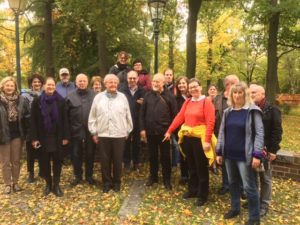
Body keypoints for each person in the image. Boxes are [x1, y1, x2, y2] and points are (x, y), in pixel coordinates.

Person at [215, 82, 264, 225]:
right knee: (232, 183)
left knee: (249, 186)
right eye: (234, 93)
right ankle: (235, 208)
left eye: (240, 93)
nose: (237, 95)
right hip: (229, 155)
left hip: (245, 156)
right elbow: (222, 132)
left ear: (245, 94)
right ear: (231, 95)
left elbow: (259, 134)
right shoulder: (227, 112)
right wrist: (219, 151)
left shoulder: (252, 111)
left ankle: (254, 217)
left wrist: (257, 154)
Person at [164, 78, 216, 206]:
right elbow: (179, 117)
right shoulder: (187, 102)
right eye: (191, 87)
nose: (193, 89)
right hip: (188, 137)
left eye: (195, 86)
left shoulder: (206, 102)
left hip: (200, 139)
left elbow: (210, 122)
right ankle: (193, 190)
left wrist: (207, 140)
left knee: (201, 167)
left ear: (201, 87)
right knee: (191, 165)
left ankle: (203, 195)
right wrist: (169, 131)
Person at [88, 74, 133, 193]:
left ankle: (117, 182)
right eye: (110, 82)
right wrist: (94, 132)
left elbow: (128, 115)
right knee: (105, 160)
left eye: (114, 82)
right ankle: (106, 183)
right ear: (105, 84)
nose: (112, 84)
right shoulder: (98, 98)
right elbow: (92, 116)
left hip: (119, 135)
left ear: (117, 84)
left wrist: (128, 130)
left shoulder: (123, 97)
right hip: (103, 134)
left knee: (118, 160)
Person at [30, 77, 70, 197]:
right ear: (44, 86)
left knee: (57, 161)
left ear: (55, 86)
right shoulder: (37, 101)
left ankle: (56, 185)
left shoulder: (61, 101)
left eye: (52, 85)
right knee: (44, 162)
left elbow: (65, 120)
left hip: (57, 137)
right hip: (43, 137)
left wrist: (66, 136)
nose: (51, 87)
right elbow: (33, 121)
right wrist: (34, 138)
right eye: (48, 85)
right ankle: (48, 184)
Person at [249, 84, 282, 217]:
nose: (251, 95)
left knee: (265, 178)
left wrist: (273, 150)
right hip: (252, 149)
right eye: (250, 92)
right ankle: (255, 199)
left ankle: (264, 203)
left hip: (266, 150)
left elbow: (277, 131)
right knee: (253, 176)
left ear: (262, 94)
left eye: (254, 92)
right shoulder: (249, 108)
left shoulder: (272, 109)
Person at [140, 73, 178, 190]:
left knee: (166, 157)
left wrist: (170, 131)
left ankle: (167, 179)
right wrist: (142, 129)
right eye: (154, 81)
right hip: (150, 132)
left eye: (158, 81)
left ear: (163, 83)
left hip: (164, 133)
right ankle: (153, 177)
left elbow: (175, 115)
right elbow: (142, 114)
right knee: (152, 156)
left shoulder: (170, 96)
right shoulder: (147, 95)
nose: (155, 84)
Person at [0, 76, 30, 194]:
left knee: (16, 160)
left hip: (17, 134)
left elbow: (27, 116)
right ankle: (7, 184)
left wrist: (28, 132)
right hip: (3, 134)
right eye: (7, 85)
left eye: (11, 85)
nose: (9, 87)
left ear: (15, 87)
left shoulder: (21, 100)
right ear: (3, 86)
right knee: (5, 162)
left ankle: (16, 183)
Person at [66, 74, 96, 186]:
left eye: (84, 81)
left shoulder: (94, 95)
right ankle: (77, 176)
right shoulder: (69, 96)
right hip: (75, 131)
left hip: (90, 131)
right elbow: (66, 116)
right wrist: (67, 133)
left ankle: (89, 176)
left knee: (90, 154)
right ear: (76, 82)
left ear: (87, 82)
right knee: (75, 154)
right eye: (80, 81)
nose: (82, 83)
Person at [213, 74, 240, 195]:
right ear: (228, 85)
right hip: (221, 135)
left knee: (238, 162)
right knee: (224, 161)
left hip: (237, 136)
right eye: (236, 83)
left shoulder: (239, 98)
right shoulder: (217, 99)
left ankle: (240, 187)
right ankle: (225, 185)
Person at [119, 70, 146, 172]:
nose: (132, 80)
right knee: (126, 142)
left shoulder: (143, 91)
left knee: (137, 143)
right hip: (125, 121)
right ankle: (126, 162)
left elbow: (146, 106)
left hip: (138, 120)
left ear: (138, 79)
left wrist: (143, 103)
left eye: (134, 78)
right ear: (127, 79)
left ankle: (137, 162)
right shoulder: (121, 90)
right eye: (130, 78)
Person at [22, 74, 44, 183]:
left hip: (43, 127)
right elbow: (23, 112)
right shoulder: (25, 96)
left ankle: (42, 171)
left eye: (39, 82)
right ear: (31, 83)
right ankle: (31, 173)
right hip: (30, 127)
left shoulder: (45, 95)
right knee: (30, 152)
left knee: (42, 150)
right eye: (35, 82)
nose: (37, 84)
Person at [174, 76, 190, 185]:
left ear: (188, 84)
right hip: (180, 131)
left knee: (191, 153)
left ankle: (193, 174)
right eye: (179, 84)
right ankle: (184, 175)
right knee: (182, 153)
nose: (181, 85)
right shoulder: (176, 99)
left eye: (183, 83)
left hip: (193, 131)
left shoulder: (193, 97)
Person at [164, 68, 179, 169]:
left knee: (175, 144)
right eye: (167, 74)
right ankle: (164, 163)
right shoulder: (161, 87)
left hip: (174, 118)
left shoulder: (176, 88)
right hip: (163, 119)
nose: (169, 76)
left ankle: (175, 163)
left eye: (170, 75)